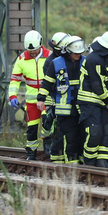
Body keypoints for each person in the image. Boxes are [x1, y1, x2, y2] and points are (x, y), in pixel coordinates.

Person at [38, 34, 86, 163]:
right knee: (70, 137)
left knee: (83, 135)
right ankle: (71, 165)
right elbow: (47, 83)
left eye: (80, 53)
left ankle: (81, 162)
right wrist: (41, 99)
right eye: (75, 53)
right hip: (65, 109)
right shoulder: (56, 63)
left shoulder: (85, 61)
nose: (78, 55)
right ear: (68, 51)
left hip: (83, 107)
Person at [77, 31, 108, 167]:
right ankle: (89, 164)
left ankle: (103, 163)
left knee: (106, 134)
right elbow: (97, 84)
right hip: (89, 103)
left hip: (104, 104)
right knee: (94, 132)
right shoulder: (92, 59)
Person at [9, 30, 51, 160]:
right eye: (30, 50)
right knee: (32, 128)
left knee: (48, 123)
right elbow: (15, 79)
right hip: (32, 102)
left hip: (48, 99)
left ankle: (48, 146)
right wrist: (12, 96)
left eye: (35, 50)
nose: (32, 52)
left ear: (40, 44)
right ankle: (31, 153)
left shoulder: (50, 56)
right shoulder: (22, 59)